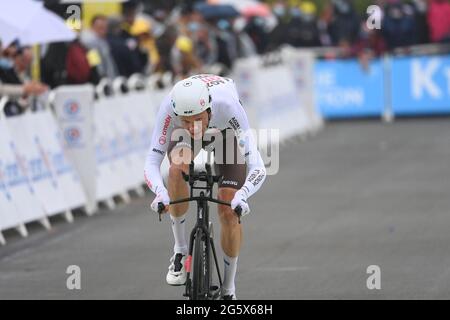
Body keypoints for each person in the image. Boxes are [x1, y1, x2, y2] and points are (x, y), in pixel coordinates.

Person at [144, 74, 267, 300]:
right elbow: (152, 160)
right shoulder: (170, 105)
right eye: (186, 121)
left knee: (229, 210)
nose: (192, 127)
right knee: (174, 170)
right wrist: (160, 193)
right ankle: (180, 250)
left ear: (209, 110)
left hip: (224, 134)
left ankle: (229, 289)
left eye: (198, 120)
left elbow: (258, 165)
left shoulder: (228, 106)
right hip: (185, 141)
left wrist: (244, 194)